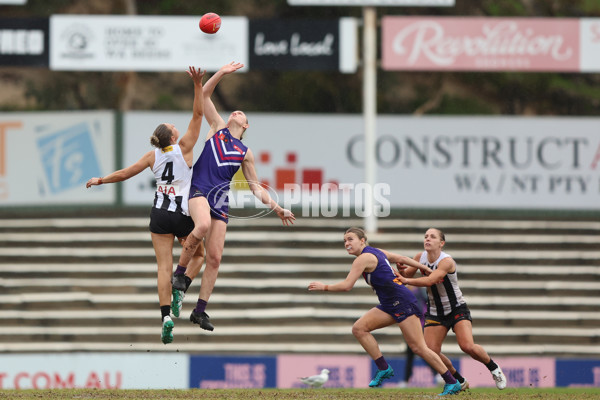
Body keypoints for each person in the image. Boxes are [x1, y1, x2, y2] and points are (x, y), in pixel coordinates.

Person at [86, 66, 207, 345]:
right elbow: (198, 115)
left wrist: (102, 180)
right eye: (174, 127)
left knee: (162, 267)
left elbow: (126, 173)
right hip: (182, 213)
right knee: (198, 256)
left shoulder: (152, 156)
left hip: (159, 215)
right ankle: (182, 288)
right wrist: (197, 84)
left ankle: (165, 317)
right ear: (173, 138)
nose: (177, 127)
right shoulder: (185, 147)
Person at [172, 61, 296, 332]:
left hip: (220, 200)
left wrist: (278, 208)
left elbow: (256, 188)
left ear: (246, 124)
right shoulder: (217, 127)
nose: (237, 111)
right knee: (201, 226)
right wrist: (222, 73)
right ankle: (180, 276)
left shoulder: (245, 152)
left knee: (215, 258)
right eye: (235, 111)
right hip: (199, 190)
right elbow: (204, 94)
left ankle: (200, 311)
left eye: (242, 113)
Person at [307, 227, 462, 396]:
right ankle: (383, 368)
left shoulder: (363, 258)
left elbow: (347, 285)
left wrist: (325, 287)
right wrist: (426, 268)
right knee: (359, 328)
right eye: (345, 241)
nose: (347, 243)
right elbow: (402, 258)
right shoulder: (375, 251)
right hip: (389, 304)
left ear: (362, 241)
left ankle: (451, 382)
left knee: (419, 348)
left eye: (350, 239)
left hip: (402, 302)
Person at [396, 228, 507, 390]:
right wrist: (401, 270)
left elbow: (431, 280)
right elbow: (408, 274)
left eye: (432, 237)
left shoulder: (447, 261)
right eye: (426, 236)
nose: (427, 239)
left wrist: (405, 279)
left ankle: (494, 368)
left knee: (467, 346)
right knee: (429, 351)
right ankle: (460, 380)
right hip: (435, 311)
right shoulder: (420, 257)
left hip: (456, 308)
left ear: (441, 243)